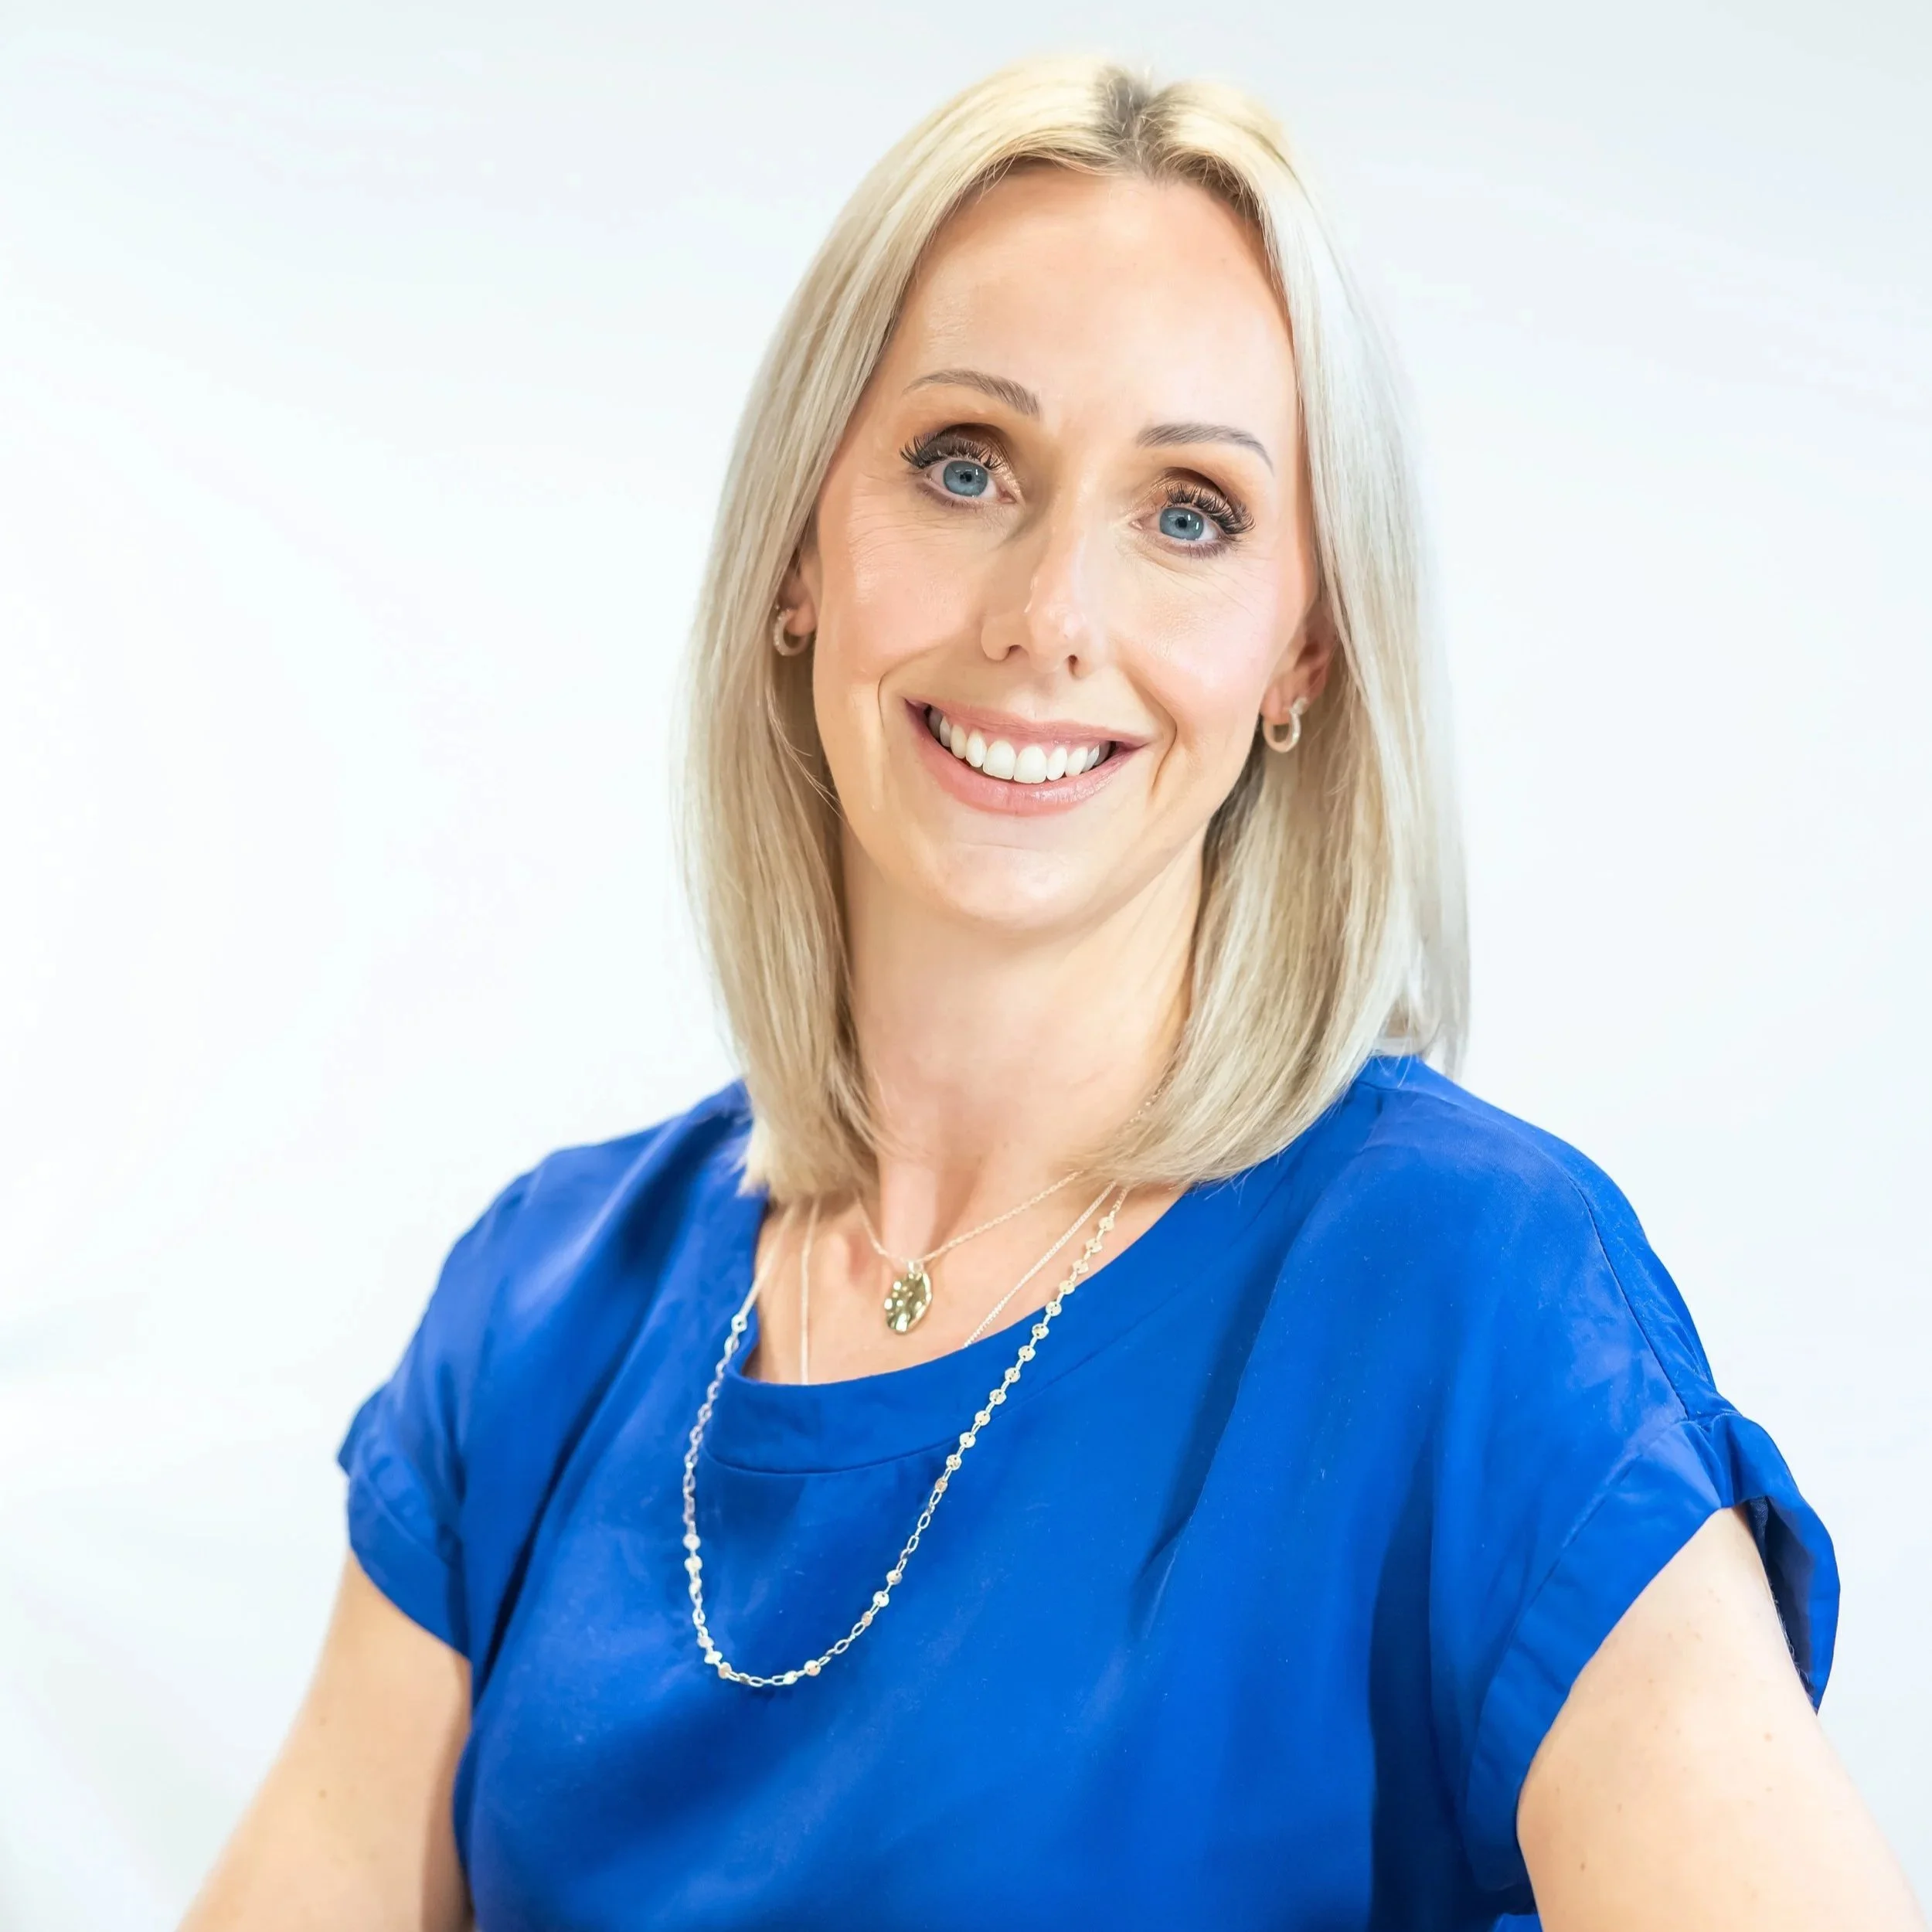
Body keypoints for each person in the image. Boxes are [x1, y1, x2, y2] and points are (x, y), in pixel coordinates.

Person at [182, 56, 1923, 1932]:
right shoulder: (542, 1305)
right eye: (964, 467)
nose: (1048, 616)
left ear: (1301, 651)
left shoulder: (1473, 1298)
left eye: (1188, 512)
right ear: (800, 546)